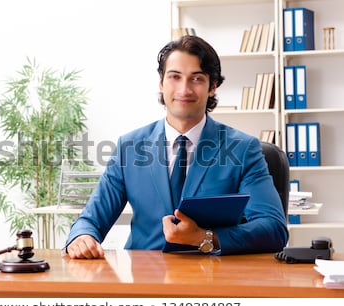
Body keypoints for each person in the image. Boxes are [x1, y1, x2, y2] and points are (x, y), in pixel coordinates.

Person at [65, 35, 289, 259]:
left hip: (213, 279)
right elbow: (90, 220)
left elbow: (273, 229)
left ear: (212, 87)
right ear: (161, 83)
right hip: (144, 282)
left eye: (197, 79)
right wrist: (81, 236)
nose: (184, 89)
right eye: (175, 77)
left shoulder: (243, 149)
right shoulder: (129, 147)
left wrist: (204, 237)